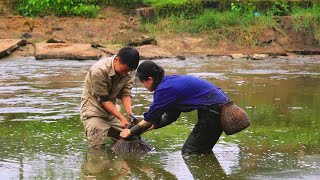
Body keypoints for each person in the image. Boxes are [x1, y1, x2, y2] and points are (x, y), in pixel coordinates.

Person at [120, 61, 229, 155]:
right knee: (202, 149)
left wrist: (130, 132)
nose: (144, 86)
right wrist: (142, 130)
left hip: (214, 109)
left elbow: (149, 120)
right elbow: (170, 117)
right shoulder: (168, 84)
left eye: (143, 82)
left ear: (150, 79)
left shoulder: (163, 90)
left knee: (190, 151)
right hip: (217, 106)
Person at [80, 47, 140, 149]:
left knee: (133, 140)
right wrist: (122, 118)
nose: (125, 74)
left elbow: (126, 93)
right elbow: (104, 99)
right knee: (97, 150)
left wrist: (130, 115)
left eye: (128, 71)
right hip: (94, 112)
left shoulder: (129, 71)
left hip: (112, 113)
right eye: (124, 70)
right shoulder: (98, 71)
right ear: (116, 60)